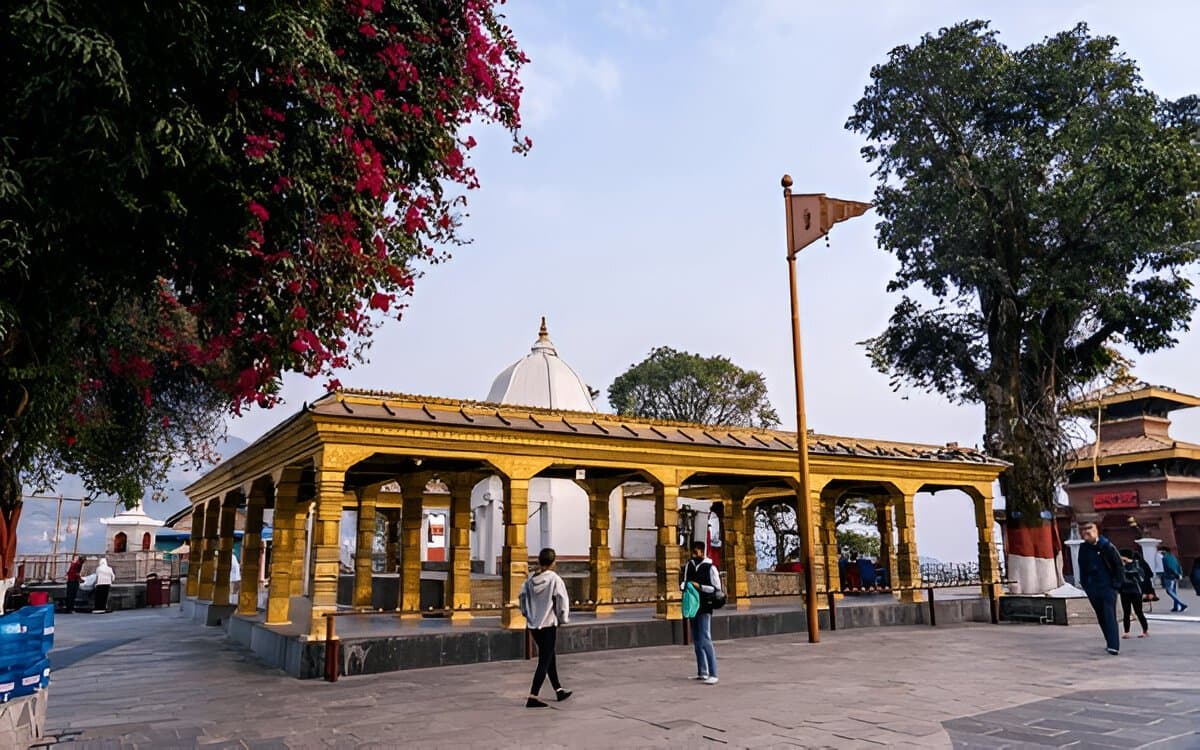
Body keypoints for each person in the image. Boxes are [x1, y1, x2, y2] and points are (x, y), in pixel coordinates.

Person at [518, 547, 571, 708]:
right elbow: (561, 601)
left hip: (534, 625)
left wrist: (527, 614)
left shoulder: (530, 580)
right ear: (553, 562)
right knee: (544, 660)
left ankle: (558, 689)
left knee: (549, 656)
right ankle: (533, 695)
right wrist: (562, 618)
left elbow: (522, 598)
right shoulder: (554, 579)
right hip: (548, 623)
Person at [1077, 522, 1125, 655]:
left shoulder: (1107, 546)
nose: (1086, 534)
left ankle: (1114, 646)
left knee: (1109, 615)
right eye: (1084, 531)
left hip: (1108, 587)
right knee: (1101, 616)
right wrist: (1085, 585)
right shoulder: (1083, 548)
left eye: (1089, 531)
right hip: (1093, 588)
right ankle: (1109, 641)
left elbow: (1118, 565)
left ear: (1096, 531)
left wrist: (1116, 584)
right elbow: (1082, 567)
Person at [680, 540, 722, 684]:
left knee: (705, 637)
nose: (694, 554)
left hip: (705, 605)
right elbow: (684, 581)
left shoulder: (710, 567)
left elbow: (716, 589)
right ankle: (702, 671)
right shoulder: (689, 565)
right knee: (697, 639)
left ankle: (713, 672)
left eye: (696, 551)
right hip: (692, 606)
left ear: (701, 551)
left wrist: (700, 587)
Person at [1118, 549, 1149, 639]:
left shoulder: (1136, 564)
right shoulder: (1120, 565)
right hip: (1124, 591)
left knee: (1139, 612)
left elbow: (1140, 576)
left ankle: (1145, 631)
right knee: (1126, 612)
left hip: (1135, 591)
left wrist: (1127, 565)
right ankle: (1126, 632)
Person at [1159, 546, 1188, 612]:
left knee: (1169, 591)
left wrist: (1175, 574)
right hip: (1175, 576)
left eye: (1161, 551)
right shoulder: (1173, 557)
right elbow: (1178, 565)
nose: (1160, 552)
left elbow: (1169, 567)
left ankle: (1182, 604)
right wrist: (1179, 574)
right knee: (1174, 591)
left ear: (1164, 551)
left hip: (1169, 576)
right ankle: (1176, 607)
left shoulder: (1165, 558)